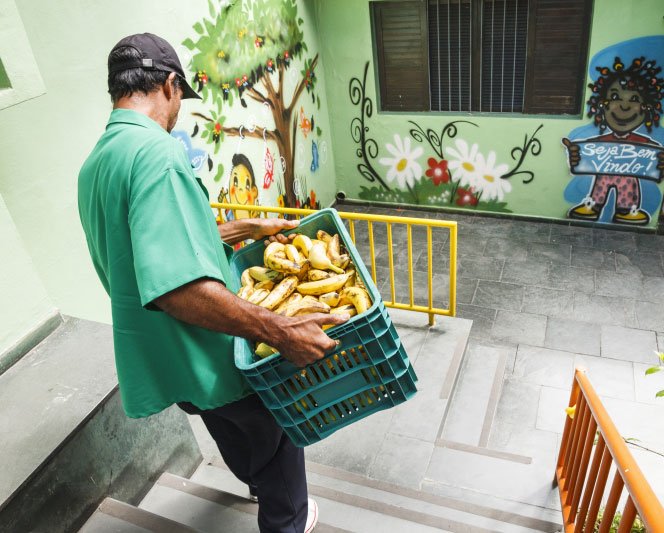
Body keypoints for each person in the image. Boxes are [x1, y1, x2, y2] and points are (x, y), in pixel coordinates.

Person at [77, 33, 348, 533]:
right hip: (210, 350)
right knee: (281, 433)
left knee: (231, 430)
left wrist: (249, 227)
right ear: (170, 85)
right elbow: (174, 287)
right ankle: (287, 519)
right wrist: (279, 330)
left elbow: (156, 246)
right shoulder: (156, 155)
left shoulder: (98, 163)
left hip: (168, 361)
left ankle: (258, 484)